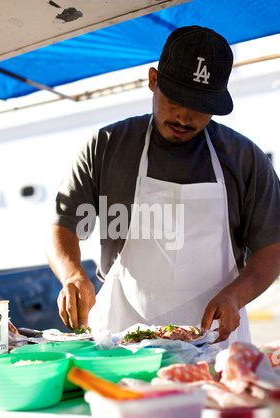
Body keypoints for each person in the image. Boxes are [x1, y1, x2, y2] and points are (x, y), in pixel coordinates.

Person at [45, 25, 280, 348]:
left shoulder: (244, 158)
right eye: (175, 99)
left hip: (215, 347)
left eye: (200, 105)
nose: (184, 117)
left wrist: (235, 295)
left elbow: (272, 247)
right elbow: (62, 225)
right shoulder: (107, 146)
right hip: (121, 344)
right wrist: (71, 273)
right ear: (153, 80)